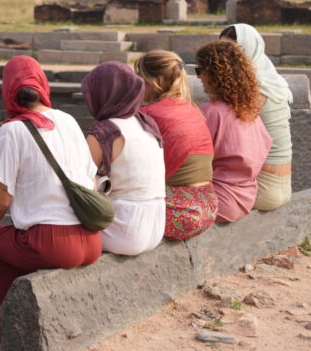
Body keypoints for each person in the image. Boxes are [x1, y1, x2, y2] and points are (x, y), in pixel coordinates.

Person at [0, 55, 101, 351]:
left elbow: (4, 195)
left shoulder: (12, 130)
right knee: (0, 255)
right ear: (43, 86)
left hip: (51, 243)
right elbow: (91, 180)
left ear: (7, 90)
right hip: (91, 240)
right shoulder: (68, 120)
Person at [81, 61, 166, 255]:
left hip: (125, 231)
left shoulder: (105, 130)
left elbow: (82, 183)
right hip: (156, 225)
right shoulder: (146, 122)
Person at [134, 50, 217, 241]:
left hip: (181, 214)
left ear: (152, 82)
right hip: (208, 207)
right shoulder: (192, 109)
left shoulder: (148, 115)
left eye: (139, 79)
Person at [194, 40, 273, 222]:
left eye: (200, 71)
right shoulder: (251, 114)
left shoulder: (210, 112)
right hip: (247, 197)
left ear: (214, 74)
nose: (198, 77)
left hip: (218, 200)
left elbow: (192, 163)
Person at [219, 24, 293, 211]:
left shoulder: (251, 89)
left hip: (264, 187)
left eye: (230, 52)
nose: (224, 58)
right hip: (283, 183)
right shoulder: (274, 82)